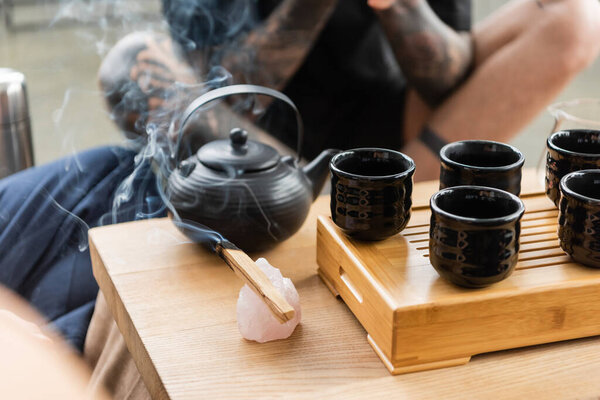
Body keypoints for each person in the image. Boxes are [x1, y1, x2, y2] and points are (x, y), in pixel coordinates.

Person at [0, 0, 598, 398]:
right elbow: (218, 84)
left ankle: (368, 184)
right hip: (235, 132)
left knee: (575, 17)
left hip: (388, 136)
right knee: (129, 58)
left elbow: (449, 74)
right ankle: (294, 184)